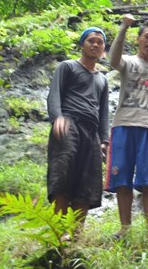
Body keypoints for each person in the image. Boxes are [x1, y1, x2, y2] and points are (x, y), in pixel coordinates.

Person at [105, 14, 148, 239]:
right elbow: (112, 60)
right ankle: (125, 227)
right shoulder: (128, 62)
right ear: (139, 39)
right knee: (121, 178)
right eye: (146, 37)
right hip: (123, 125)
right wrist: (123, 27)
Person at [46, 27, 110, 235]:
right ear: (82, 44)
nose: (95, 45)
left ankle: (76, 236)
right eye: (91, 40)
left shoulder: (102, 79)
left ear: (103, 49)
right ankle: (60, 232)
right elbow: (54, 94)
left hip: (91, 134)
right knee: (62, 175)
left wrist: (104, 140)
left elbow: (103, 113)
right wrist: (57, 118)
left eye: (99, 42)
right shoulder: (68, 67)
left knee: (88, 182)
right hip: (69, 125)